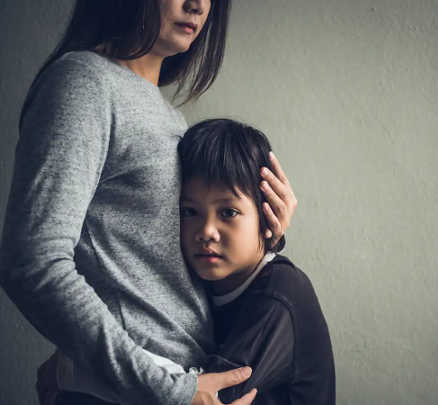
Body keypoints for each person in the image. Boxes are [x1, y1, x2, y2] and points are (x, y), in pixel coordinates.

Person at [0, 1, 297, 405]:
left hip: (178, 381)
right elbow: (32, 260)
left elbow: (147, 275)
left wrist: (264, 239)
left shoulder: (172, 119)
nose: (198, 5)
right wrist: (169, 391)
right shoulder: (84, 83)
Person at [40, 119, 335, 405]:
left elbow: (202, 395)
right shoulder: (205, 284)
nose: (206, 231)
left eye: (228, 212)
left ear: (268, 212)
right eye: (189, 212)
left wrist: (72, 369)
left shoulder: (280, 293)